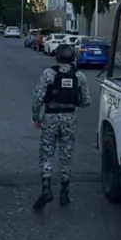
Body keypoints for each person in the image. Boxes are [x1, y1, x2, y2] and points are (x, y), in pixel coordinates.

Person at [30, 44, 91, 209]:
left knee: (46, 152)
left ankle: (46, 188)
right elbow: (86, 101)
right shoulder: (79, 76)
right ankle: (64, 191)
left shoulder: (48, 74)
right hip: (69, 117)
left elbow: (38, 97)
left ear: (57, 57)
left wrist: (36, 116)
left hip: (50, 116)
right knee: (66, 153)